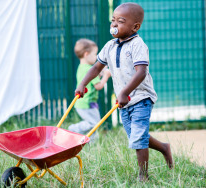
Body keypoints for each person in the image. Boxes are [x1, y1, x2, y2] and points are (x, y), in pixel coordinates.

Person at [74, 3, 173, 181]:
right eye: (113, 20)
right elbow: (96, 68)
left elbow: (141, 72)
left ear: (135, 27)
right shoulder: (109, 46)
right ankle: (164, 147)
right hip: (124, 100)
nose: (114, 25)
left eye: (120, 21)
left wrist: (125, 92)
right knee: (136, 135)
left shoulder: (138, 45)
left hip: (141, 97)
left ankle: (143, 176)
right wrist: (83, 83)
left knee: (138, 137)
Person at [68, 39, 111, 142]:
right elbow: (98, 86)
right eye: (95, 54)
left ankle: (91, 142)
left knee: (94, 124)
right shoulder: (89, 69)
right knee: (93, 123)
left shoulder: (81, 67)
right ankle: (73, 129)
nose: (96, 57)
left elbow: (93, 79)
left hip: (82, 102)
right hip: (87, 103)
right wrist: (106, 76)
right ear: (86, 54)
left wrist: (101, 72)